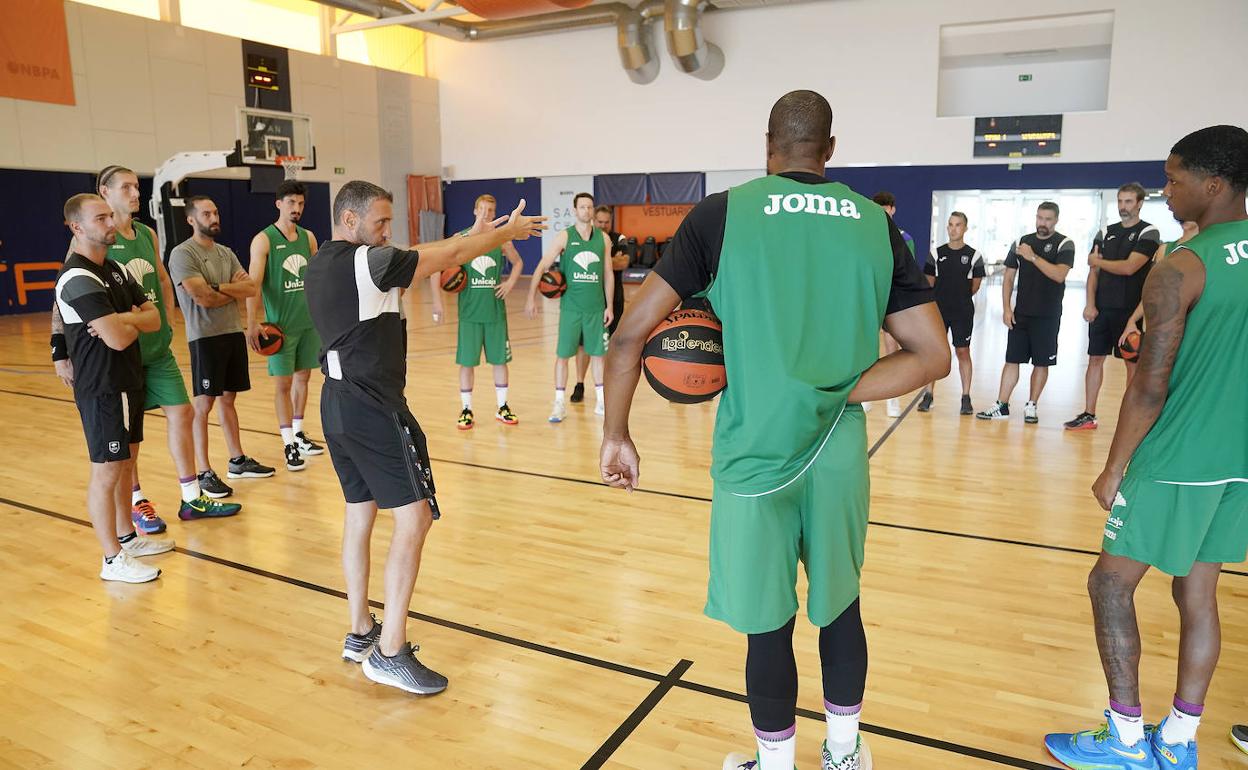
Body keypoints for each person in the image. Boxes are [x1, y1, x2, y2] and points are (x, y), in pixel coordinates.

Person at [600, 90, 948, 770]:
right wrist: (836, 390)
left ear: (767, 148)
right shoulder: (874, 223)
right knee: (840, 608)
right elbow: (930, 356)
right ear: (831, 150)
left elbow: (630, 337)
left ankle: (777, 762)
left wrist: (618, 433)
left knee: (769, 621)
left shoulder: (723, 214)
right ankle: (844, 755)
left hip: (755, 454)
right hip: (838, 449)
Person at [1044, 124, 1248, 770]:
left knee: (1109, 585)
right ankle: (1180, 742)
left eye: (1174, 178)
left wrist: (1113, 467)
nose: (1165, 191)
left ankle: (1127, 741)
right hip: (1238, 465)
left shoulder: (1182, 268)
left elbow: (1149, 387)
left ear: (1212, 185)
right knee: (1198, 595)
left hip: (1178, 457)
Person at [305, 180, 544, 695]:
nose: (387, 233)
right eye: (380, 222)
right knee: (415, 517)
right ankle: (390, 652)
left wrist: (478, 234)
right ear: (350, 220)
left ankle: (360, 630)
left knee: (359, 512)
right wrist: (506, 233)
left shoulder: (321, 263)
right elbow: (450, 253)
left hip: (337, 404)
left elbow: (440, 253)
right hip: (373, 407)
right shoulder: (367, 261)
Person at [52, 166, 240, 526]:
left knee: (182, 413)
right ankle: (137, 501)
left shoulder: (146, 233)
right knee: (127, 439)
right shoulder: (90, 241)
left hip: (155, 344)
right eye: (127, 187)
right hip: (120, 353)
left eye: (137, 186)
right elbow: (62, 298)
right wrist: (60, 351)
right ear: (104, 192)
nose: (136, 193)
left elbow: (163, 277)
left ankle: (191, 498)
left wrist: (168, 321)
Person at [55, 194, 176, 582]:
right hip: (103, 387)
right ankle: (111, 559)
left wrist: (124, 317)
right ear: (77, 227)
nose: (111, 223)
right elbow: (118, 338)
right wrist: (129, 320)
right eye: (101, 217)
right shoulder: (77, 278)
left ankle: (128, 536)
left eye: (110, 216)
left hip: (128, 380)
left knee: (126, 463)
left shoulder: (116, 268)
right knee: (106, 472)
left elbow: (154, 318)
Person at [170, 196, 275, 495]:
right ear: (191, 219)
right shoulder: (182, 254)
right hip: (204, 337)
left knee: (229, 399)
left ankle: (237, 460)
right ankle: (203, 471)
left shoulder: (226, 253)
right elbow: (201, 297)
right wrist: (226, 290)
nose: (213, 217)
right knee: (203, 404)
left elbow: (250, 287)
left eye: (215, 212)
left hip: (231, 332)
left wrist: (216, 288)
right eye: (206, 213)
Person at [1064, 183, 1161, 431]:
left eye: (1128, 202)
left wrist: (1099, 260)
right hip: (1102, 310)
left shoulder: (1148, 232)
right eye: (1120, 201)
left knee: (1132, 364)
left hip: (1129, 314)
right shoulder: (1105, 231)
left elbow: (1130, 267)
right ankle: (1089, 414)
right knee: (1095, 359)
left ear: (1139, 203)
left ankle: (1131, 418)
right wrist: (1089, 303)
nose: (1123, 207)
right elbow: (1093, 272)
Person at [245, 180, 326, 469]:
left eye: (301, 204)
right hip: (279, 327)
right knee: (283, 384)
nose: (297, 209)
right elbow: (253, 285)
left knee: (304, 379)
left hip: (308, 324)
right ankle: (288, 443)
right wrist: (252, 322)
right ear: (278, 204)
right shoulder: (264, 240)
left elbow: (316, 281)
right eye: (291, 203)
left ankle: (299, 431)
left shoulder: (309, 238)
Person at [429, 194, 524, 429]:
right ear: (475, 211)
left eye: (490, 210)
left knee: (500, 362)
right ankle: (466, 409)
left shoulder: (500, 239)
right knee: (467, 363)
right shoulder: (460, 238)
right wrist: (437, 301)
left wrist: (510, 282)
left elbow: (518, 262)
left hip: (495, 313)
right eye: (482, 209)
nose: (486, 214)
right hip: (469, 314)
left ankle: (502, 407)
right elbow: (435, 267)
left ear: (494, 213)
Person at [976, 202, 1075, 424]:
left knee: (1042, 362)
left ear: (1056, 220)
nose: (1043, 223)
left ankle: (1031, 405)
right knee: (1012, 359)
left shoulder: (1065, 243)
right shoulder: (1021, 242)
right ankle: (1001, 405)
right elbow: (1009, 277)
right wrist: (1007, 308)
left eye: (1048, 219)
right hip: (1021, 314)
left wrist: (1033, 258)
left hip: (1048, 315)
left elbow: (1059, 275)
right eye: (1040, 218)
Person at [525, 192, 615, 421]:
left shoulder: (603, 239)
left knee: (598, 356)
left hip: (596, 309)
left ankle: (602, 402)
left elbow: (608, 274)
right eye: (582, 207)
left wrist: (609, 306)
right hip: (571, 309)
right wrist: (530, 296)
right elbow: (542, 265)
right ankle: (558, 403)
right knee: (563, 356)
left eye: (589, 206)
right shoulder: (565, 237)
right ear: (575, 210)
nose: (586, 210)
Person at [918, 211, 984, 415]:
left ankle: (965, 396)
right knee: (935, 353)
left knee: (962, 351)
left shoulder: (974, 256)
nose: (953, 228)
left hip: (963, 312)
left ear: (965, 228)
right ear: (947, 227)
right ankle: (928, 394)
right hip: (938, 312)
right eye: (950, 224)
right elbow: (928, 285)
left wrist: (958, 299)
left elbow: (975, 287)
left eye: (958, 225)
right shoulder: (936, 254)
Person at [570, 205, 629, 402]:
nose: (603, 226)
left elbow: (623, 263)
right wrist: (609, 259)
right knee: (582, 345)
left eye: (606, 222)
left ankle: (606, 387)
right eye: (600, 222)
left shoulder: (618, 238)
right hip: (587, 301)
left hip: (613, 301)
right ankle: (579, 383)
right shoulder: (581, 237)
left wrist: (599, 260)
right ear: (593, 220)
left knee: (611, 344)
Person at [870, 191, 915, 417]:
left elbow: (908, 272)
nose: (883, 211)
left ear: (893, 210)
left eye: (886, 207)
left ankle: (892, 398)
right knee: (867, 348)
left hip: (891, 298)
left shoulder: (905, 238)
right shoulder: (866, 234)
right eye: (878, 207)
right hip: (871, 296)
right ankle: (867, 395)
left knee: (891, 347)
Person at [1118, 221, 1198, 346]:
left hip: (1197, 329)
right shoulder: (1165, 250)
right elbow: (1154, 291)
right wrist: (1132, 320)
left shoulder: (1210, 249)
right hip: (1167, 328)